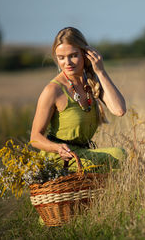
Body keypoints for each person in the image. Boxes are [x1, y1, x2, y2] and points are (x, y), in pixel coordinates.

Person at [30, 27, 126, 172]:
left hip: (83, 154)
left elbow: (119, 110)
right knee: (119, 155)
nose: (67, 62)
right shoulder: (53, 90)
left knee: (121, 155)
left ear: (85, 54)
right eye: (61, 58)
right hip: (62, 158)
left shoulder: (92, 82)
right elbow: (35, 137)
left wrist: (101, 71)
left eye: (73, 55)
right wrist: (56, 148)